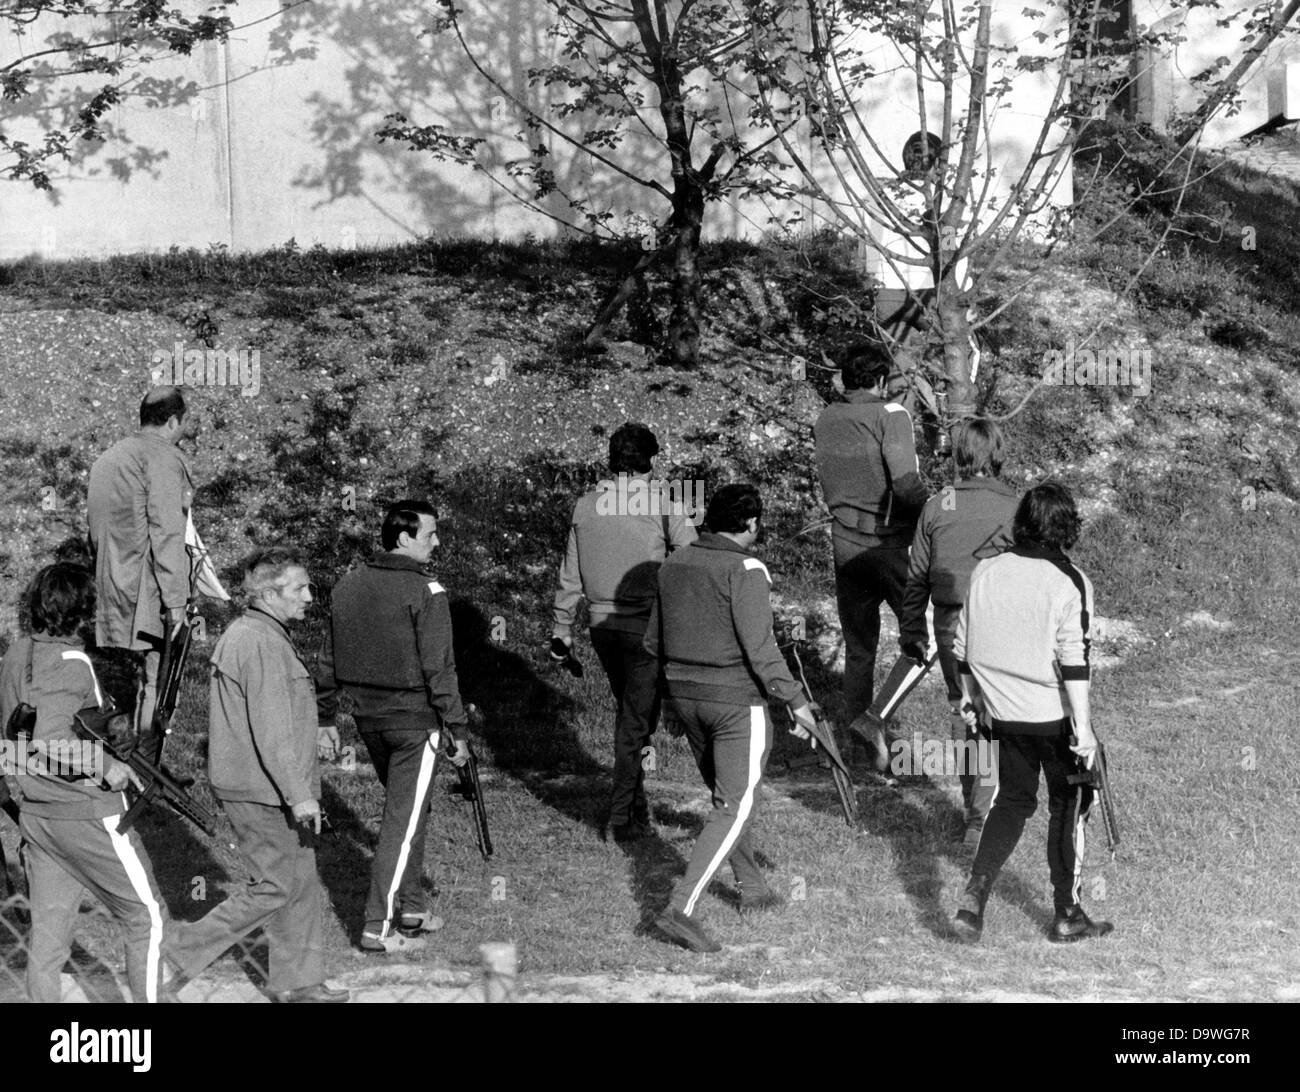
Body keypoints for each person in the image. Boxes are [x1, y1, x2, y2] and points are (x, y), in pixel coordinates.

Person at [166, 549, 348, 1002]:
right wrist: (299, 794)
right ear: (269, 594)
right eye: (300, 588)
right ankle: (174, 950)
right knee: (273, 887)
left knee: (301, 883)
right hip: (262, 789)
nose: (310, 596)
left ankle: (299, 984)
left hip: (275, 785)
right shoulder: (258, 640)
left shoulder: (264, 633)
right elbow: (271, 731)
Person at [645, 484, 814, 953]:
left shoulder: (673, 562)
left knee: (727, 801)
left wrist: (668, 699)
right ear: (752, 524)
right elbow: (761, 648)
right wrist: (796, 700)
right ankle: (680, 908)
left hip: (684, 695)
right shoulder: (746, 567)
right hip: (736, 700)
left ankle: (753, 888)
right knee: (734, 806)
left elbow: (653, 641)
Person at [0, 563, 169, 1003]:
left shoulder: (17, 654)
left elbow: (14, 739)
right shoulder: (71, 664)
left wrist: (19, 776)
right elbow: (49, 737)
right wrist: (103, 765)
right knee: (145, 917)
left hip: (39, 816)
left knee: (48, 941)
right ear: (83, 612)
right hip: (87, 816)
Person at [951, 482, 1112, 944]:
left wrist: (970, 696)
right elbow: (1075, 660)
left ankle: (973, 899)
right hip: (1052, 717)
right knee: (1071, 803)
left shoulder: (986, 569)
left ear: (1022, 521)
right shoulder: (1071, 580)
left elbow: (963, 643)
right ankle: (1067, 912)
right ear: (1066, 526)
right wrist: (1084, 729)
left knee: (1013, 801)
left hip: (1001, 715)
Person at [315, 500, 470, 955]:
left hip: (368, 720)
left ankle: (412, 907)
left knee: (411, 810)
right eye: (431, 535)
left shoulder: (347, 586)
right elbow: (441, 668)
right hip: (416, 723)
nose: (437, 543)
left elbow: (328, 657)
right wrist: (457, 729)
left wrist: (324, 715)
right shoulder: (428, 591)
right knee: (401, 822)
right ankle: (376, 928)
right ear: (404, 538)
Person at [551, 423, 697, 842]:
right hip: (646, 627)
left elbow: (570, 576)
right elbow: (692, 560)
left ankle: (631, 803)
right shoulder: (662, 503)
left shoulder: (585, 505)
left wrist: (562, 629)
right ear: (650, 461)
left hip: (601, 627)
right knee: (636, 720)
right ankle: (623, 817)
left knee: (632, 713)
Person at [898, 419, 1018, 845]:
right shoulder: (1014, 505)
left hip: (950, 624)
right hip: (1000, 625)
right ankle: (980, 815)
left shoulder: (938, 504)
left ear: (960, 454)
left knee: (963, 711)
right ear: (997, 453)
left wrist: (911, 629)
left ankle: (974, 806)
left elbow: (916, 576)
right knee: (992, 718)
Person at [814, 345, 928, 727]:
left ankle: (854, 736)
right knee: (920, 644)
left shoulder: (827, 417)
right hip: (889, 543)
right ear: (881, 381)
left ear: (845, 378)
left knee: (859, 647)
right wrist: (933, 518)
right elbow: (907, 485)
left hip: (844, 540)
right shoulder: (891, 415)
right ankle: (874, 720)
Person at [87, 386, 194, 735]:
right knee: (161, 682)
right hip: (150, 591)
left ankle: (127, 750)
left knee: (132, 684)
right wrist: (176, 600)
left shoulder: (109, 457)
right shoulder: (163, 457)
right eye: (183, 421)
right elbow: (167, 533)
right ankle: (150, 765)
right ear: (173, 421)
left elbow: (96, 530)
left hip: (113, 584)